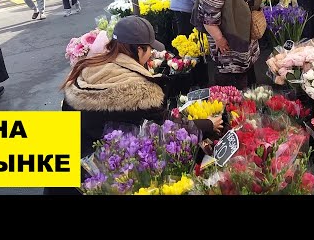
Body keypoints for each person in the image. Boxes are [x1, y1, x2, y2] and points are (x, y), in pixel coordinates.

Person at [43, 16, 222, 195]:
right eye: (150, 49)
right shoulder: (140, 90)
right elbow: (166, 128)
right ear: (139, 49)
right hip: (98, 181)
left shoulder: (88, 69)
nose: (151, 53)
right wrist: (207, 124)